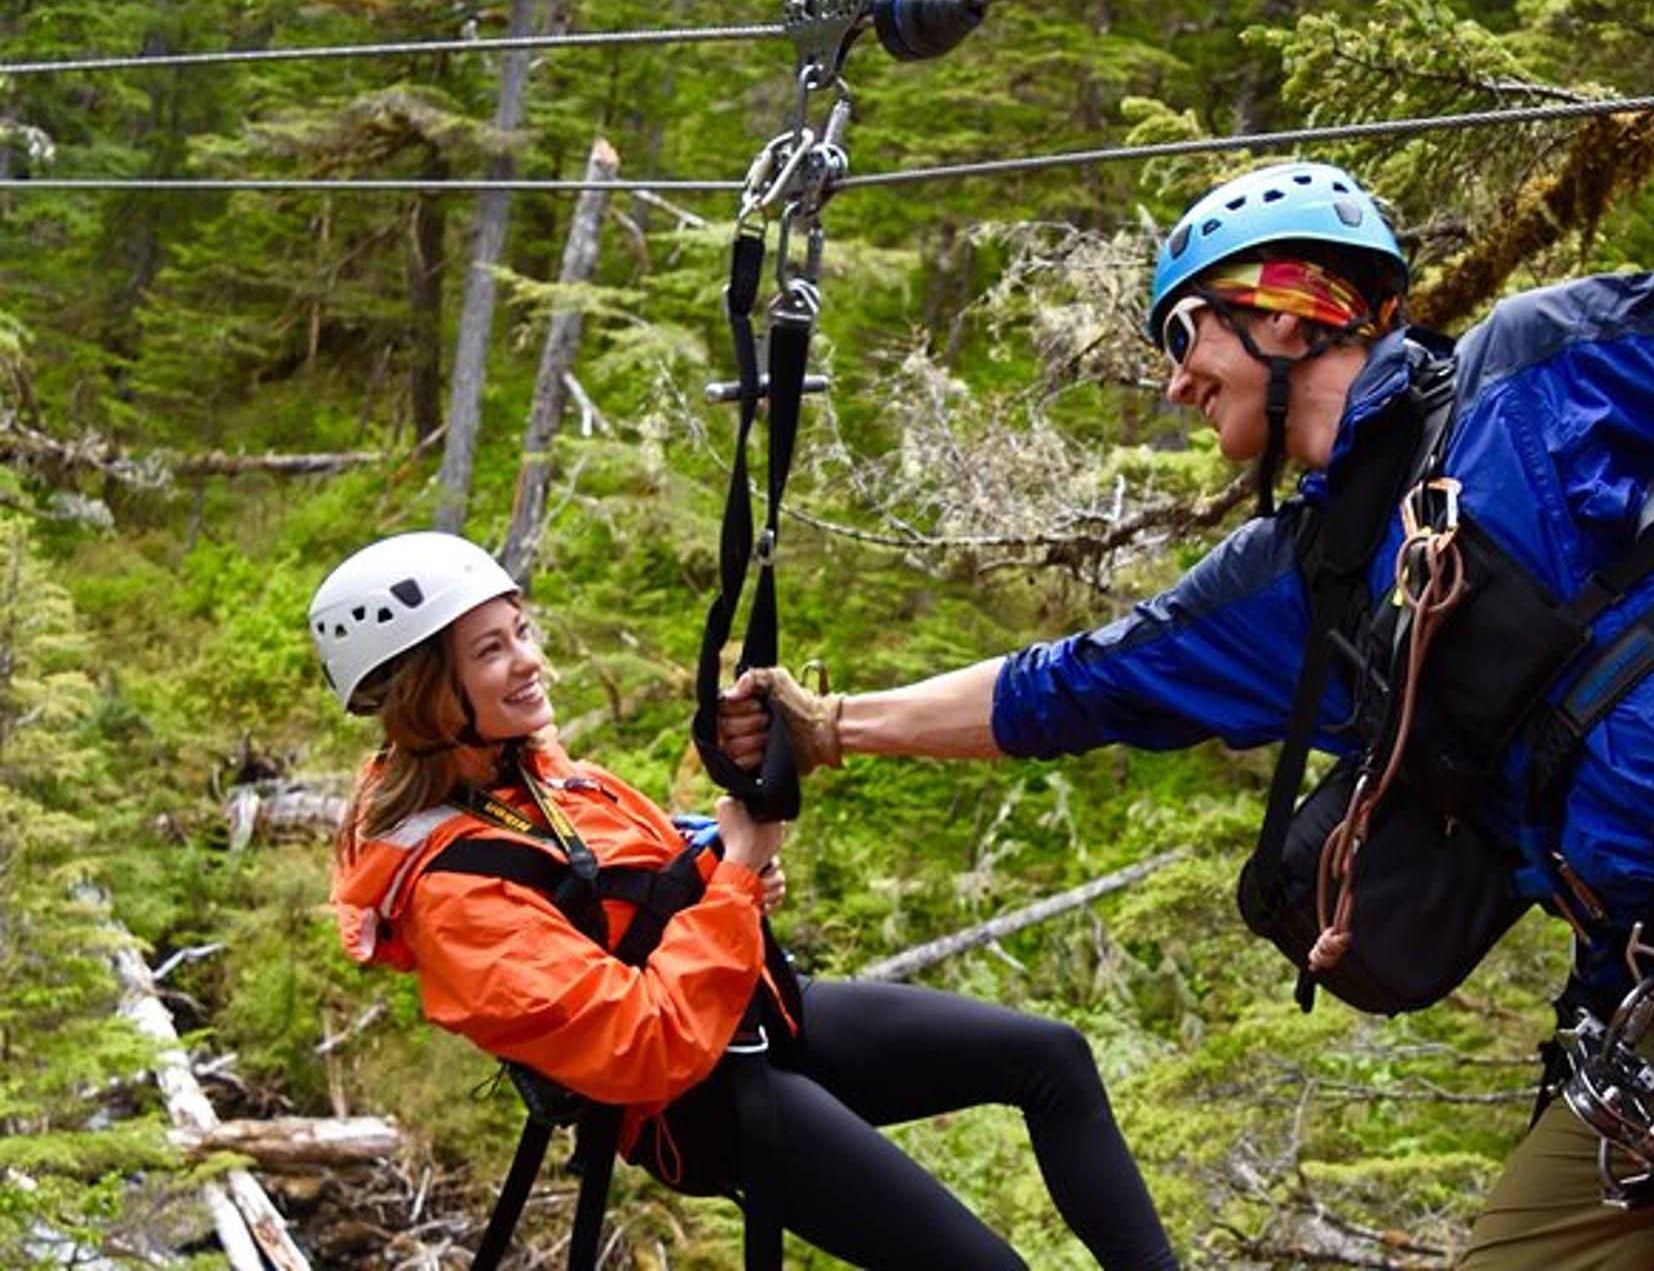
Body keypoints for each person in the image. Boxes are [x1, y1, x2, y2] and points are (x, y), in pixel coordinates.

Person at [719, 46, 1654, 1268]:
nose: (1174, 381)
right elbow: (1068, 688)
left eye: (1185, 335)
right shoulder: (1296, 577)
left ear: (1290, 312)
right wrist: (828, 726)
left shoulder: (1535, 376)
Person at [313, 530, 1179, 1271]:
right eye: (491, 651)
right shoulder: (453, 897)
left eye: (522, 631)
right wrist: (733, 877)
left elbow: (618, 876)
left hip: (755, 1012)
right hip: (702, 1101)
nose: (530, 661)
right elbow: (640, 1038)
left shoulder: (522, 769)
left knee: (1051, 1058)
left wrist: (719, 859)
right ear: (426, 692)